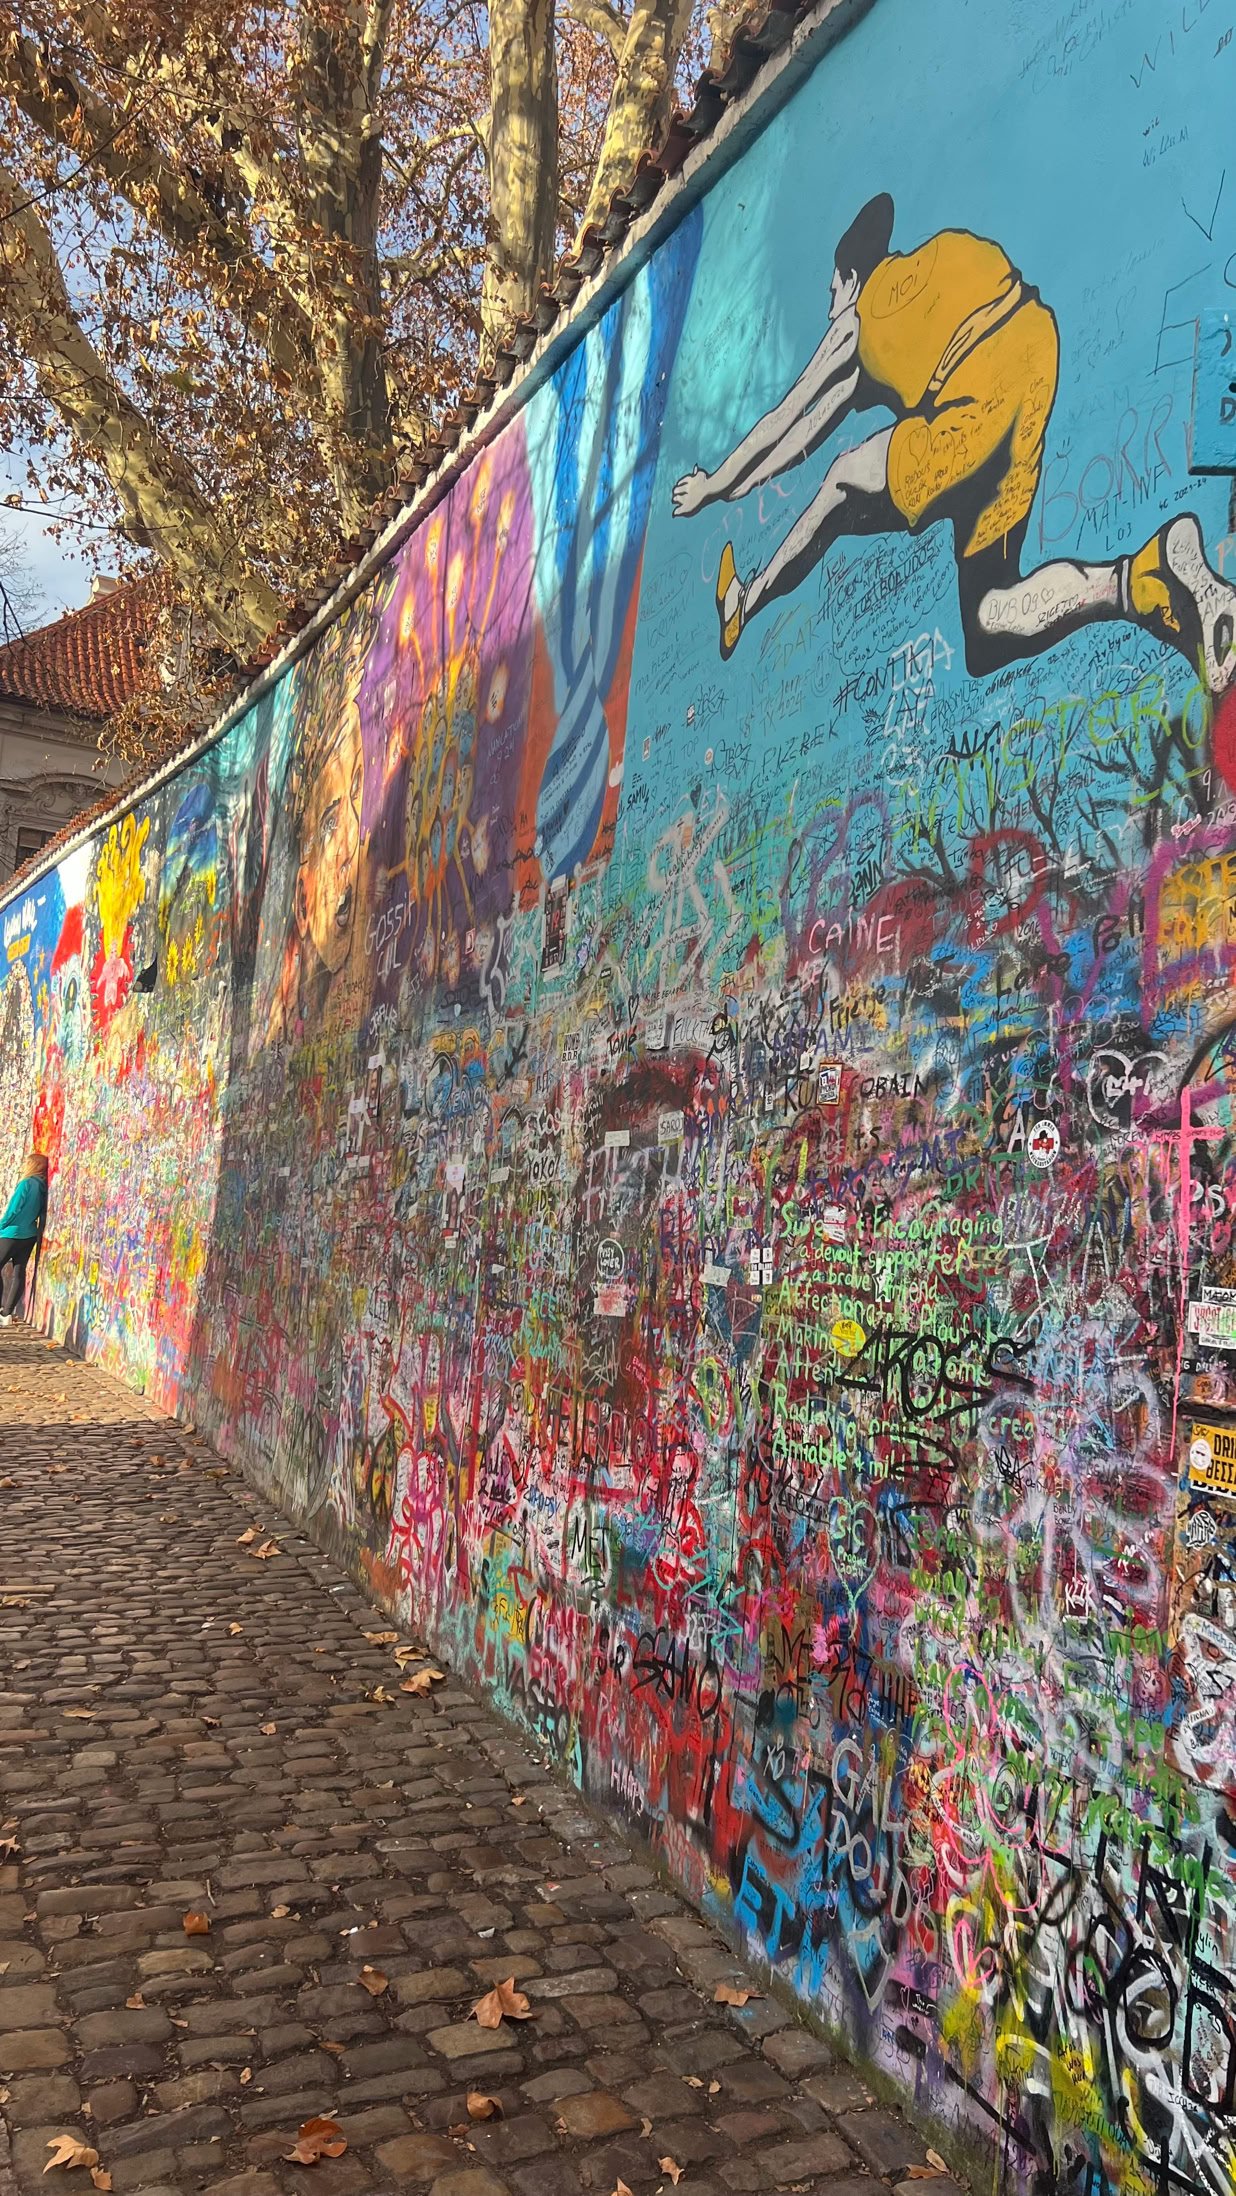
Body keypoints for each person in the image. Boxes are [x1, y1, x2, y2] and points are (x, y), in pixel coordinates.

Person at [672, 194, 1236, 697]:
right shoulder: (933, 263)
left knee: (841, 480)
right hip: (1031, 363)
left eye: (832, 292)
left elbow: (786, 420)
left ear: (852, 279)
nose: (828, 310)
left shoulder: (859, 318)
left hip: (975, 395)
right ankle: (1144, 575)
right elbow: (808, 429)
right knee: (990, 622)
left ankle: (749, 600)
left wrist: (714, 487)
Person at [0, 1151, 48, 1325]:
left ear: (32, 1165)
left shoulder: (26, 1184)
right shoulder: (43, 1187)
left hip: (11, 1234)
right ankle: (7, 1314)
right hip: (29, 1235)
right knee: (18, 1272)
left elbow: (13, 1210)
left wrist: (1, 1225)